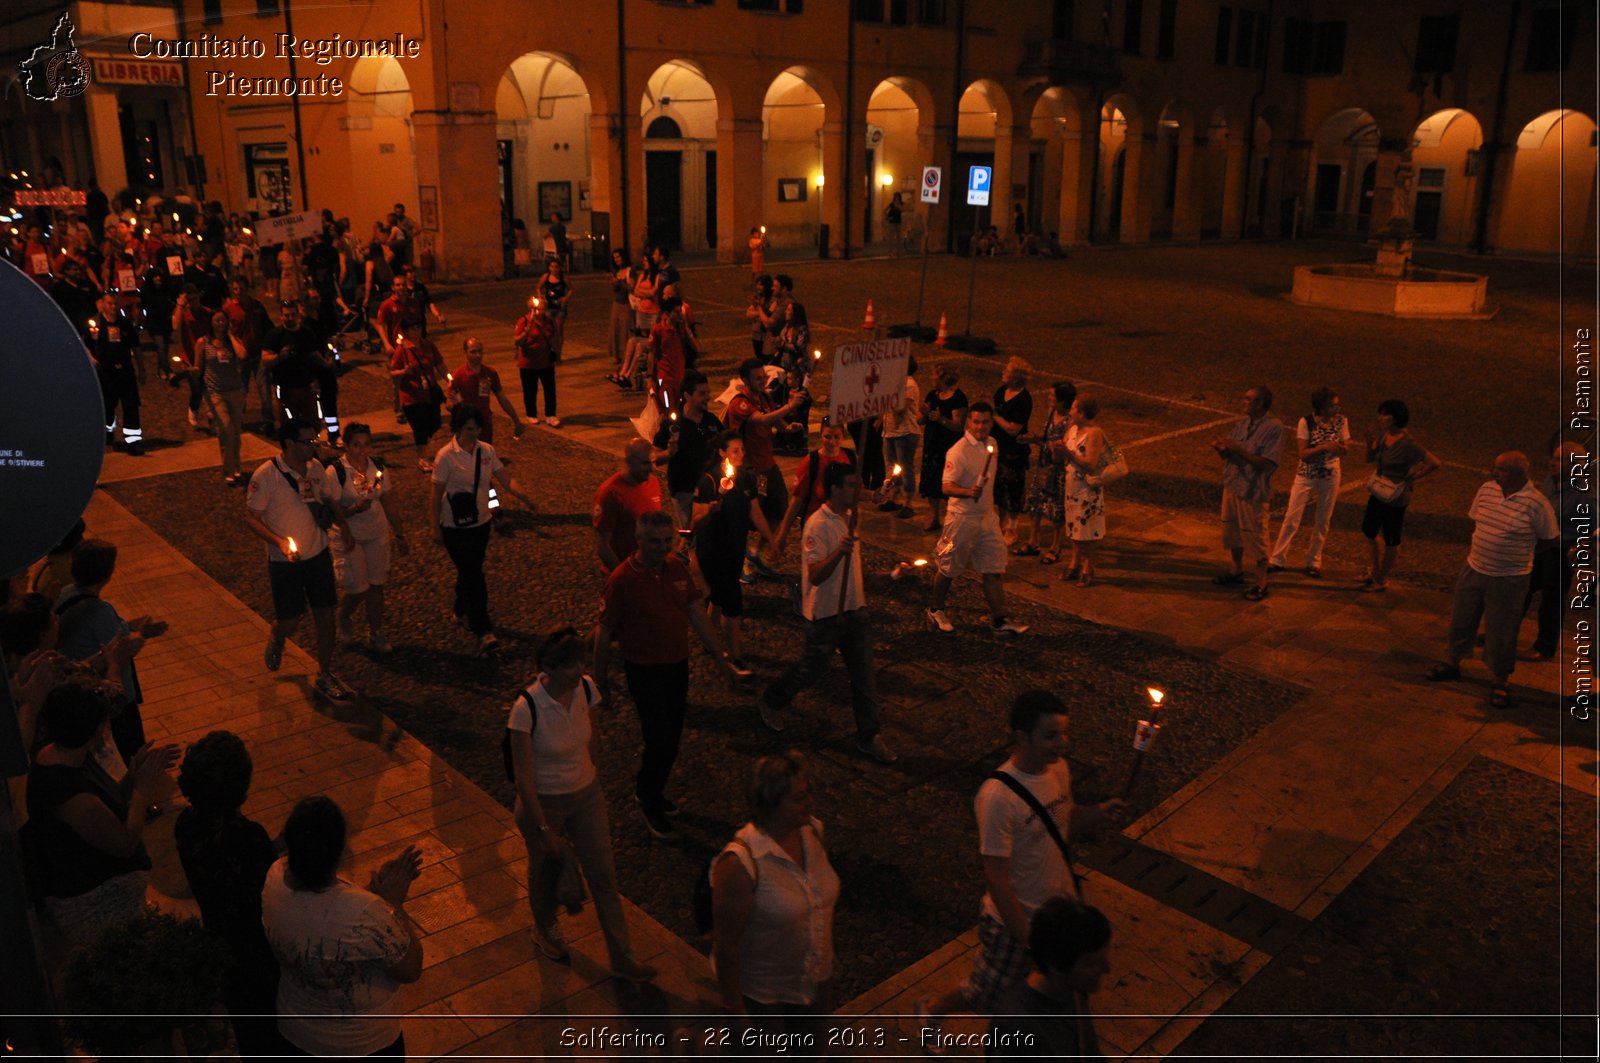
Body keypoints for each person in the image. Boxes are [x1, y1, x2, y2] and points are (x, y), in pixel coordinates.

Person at [918, 690, 1124, 1038]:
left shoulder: (1058, 769)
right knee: (987, 993)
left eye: (1064, 733)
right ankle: (931, 1008)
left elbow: (1064, 822)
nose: (1062, 744)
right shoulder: (998, 796)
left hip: (1057, 912)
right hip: (1017, 920)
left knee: (1048, 991)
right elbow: (996, 878)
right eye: (1050, 735)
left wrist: (1099, 814)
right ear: (1021, 736)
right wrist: (1028, 939)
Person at [506, 627, 659, 981]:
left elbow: (591, 737)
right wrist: (544, 831)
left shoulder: (586, 689)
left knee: (604, 876)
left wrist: (593, 776)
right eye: (570, 664)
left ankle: (623, 957)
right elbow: (523, 780)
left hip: (586, 795)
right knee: (545, 876)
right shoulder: (526, 709)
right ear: (548, 667)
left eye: (580, 661)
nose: (579, 670)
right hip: (544, 804)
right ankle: (544, 928)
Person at [594, 510, 746, 841]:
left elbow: (696, 614)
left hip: (676, 665)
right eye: (654, 542)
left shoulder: (677, 569)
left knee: (671, 738)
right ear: (638, 541)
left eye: (666, 541)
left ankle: (653, 790)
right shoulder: (622, 580)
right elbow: (603, 634)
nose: (662, 548)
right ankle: (647, 796)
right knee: (658, 737)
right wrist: (600, 682)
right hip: (644, 670)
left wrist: (722, 663)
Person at [25, 677, 179, 952]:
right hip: (92, 898)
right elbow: (125, 842)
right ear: (94, 731)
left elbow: (110, 802)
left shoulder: (61, 754)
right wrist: (142, 790)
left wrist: (132, 778)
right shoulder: (71, 796)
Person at [261, 796, 422, 1058]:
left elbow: (330, 917)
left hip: (295, 1033)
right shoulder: (363, 914)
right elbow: (410, 967)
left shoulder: (273, 877)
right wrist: (393, 905)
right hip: (360, 1044)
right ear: (340, 851)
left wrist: (373, 897)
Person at [757, 464, 897, 761]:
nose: (855, 492)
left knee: (865, 678)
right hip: (827, 615)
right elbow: (816, 574)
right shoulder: (817, 525)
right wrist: (838, 553)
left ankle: (869, 735)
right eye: (850, 486)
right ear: (833, 489)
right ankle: (771, 699)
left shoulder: (850, 519)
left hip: (854, 610)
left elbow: (854, 569)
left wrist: (888, 576)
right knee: (810, 670)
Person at [174, 732, 286, 1059]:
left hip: (219, 937)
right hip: (255, 950)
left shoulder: (186, 824)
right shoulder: (247, 835)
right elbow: (264, 882)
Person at [710, 752, 841, 1031]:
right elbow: (726, 945)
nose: (810, 802)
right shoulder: (741, 863)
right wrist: (734, 1009)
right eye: (799, 798)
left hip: (813, 982)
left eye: (809, 794)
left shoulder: (813, 832)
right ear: (770, 805)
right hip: (764, 995)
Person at [1426, 452, 1558, 709]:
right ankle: (1453, 662)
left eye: (1500, 470)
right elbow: (1477, 520)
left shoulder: (1537, 504)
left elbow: (1549, 540)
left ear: (1518, 475)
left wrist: (1518, 551)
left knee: (1502, 629)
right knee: (1462, 618)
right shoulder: (1487, 490)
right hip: (1474, 567)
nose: (1494, 473)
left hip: (1509, 578)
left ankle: (1500, 680)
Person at [243, 419, 358, 702]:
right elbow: (251, 518)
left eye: (314, 441)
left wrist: (343, 526)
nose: (313, 447)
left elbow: (328, 500)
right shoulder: (267, 475)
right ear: (289, 444)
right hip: (286, 563)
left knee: (325, 617)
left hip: (317, 554)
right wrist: (280, 542)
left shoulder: (316, 468)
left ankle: (325, 673)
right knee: (290, 619)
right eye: (307, 442)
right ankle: (278, 634)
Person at [429, 405, 538, 654]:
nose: (474, 433)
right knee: (474, 575)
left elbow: (505, 479)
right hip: (454, 526)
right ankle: (483, 628)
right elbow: (435, 495)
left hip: (481, 522)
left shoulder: (487, 451)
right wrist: (434, 528)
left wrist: (525, 497)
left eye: (477, 428)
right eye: (469, 429)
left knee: (470, 569)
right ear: (458, 428)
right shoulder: (445, 456)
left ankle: (460, 608)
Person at [54, 539, 166, 760]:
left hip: (77, 680)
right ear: (107, 574)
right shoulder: (99, 610)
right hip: (107, 688)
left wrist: (132, 625)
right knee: (126, 748)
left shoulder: (67, 592)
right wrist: (144, 634)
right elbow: (121, 650)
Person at [925, 403, 1029, 638]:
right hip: (960, 520)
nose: (981, 427)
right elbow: (946, 486)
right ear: (968, 423)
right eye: (976, 422)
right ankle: (935, 608)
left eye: (985, 422)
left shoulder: (992, 443)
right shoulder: (958, 451)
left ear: (991, 423)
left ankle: (1000, 619)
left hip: (986, 518)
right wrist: (968, 491)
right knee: (948, 567)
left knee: (993, 568)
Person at [985, 898, 1113, 1060]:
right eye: (1091, 963)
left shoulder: (1074, 992)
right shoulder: (1017, 1029)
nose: (1107, 969)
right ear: (1055, 965)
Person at [693, 432, 774, 669]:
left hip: (735, 549)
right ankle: (736, 656)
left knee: (717, 598)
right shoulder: (708, 481)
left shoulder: (746, 479)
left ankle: (708, 641)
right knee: (732, 605)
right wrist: (710, 510)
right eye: (735, 450)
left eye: (742, 449)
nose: (741, 454)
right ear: (722, 453)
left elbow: (754, 511)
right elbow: (695, 522)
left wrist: (771, 538)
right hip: (714, 552)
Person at [328, 424, 409, 654]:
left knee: (376, 584)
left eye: (366, 445)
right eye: (356, 445)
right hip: (349, 534)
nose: (362, 450)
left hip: (376, 532)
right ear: (346, 444)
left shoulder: (377, 468)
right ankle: (343, 615)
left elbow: (388, 501)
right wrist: (353, 508)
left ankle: (376, 632)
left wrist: (400, 533)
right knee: (357, 587)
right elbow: (331, 510)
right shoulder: (336, 472)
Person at [728, 358, 808, 574]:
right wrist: (790, 406)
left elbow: (774, 421)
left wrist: (788, 428)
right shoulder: (740, 403)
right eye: (757, 378)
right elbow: (762, 420)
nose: (762, 381)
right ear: (745, 380)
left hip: (768, 466)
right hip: (749, 471)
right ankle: (741, 563)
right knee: (747, 518)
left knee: (779, 509)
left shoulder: (764, 397)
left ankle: (758, 554)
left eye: (763, 377)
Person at [1209, 385, 1286, 602]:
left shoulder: (1274, 429)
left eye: (1248, 399)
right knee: (1231, 531)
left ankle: (1261, 582)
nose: (1243, 402)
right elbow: (1230, 455)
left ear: (1260, 404)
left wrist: (1237, 449)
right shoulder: (1242, 424)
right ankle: (1236, 570)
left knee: (1256, 537)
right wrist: (1222, 450)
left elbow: (1268, 464)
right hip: (1233, 485)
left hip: (1252, 491)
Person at [1360, 399, 1442, 593]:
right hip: (1379, 491)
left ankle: (1381, 579)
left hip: (1396, 497)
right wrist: (1368, 442)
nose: (1381, 417)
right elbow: (1369, 459)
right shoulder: (1384, 435)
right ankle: (1375, 570)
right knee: (1369, 531)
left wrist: (1414, 476)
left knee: (1391, 537)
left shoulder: (1408, 443)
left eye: (1385, 414)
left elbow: (1434, 463)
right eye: (1380, 413)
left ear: (1397, 418)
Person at [1267, 387, 1350, 578]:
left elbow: (1346, 449)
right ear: (1322, 407)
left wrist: (1339, 449)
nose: (1337, 409)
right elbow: (1303, 454)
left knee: (1323, 519)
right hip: (1306, 475)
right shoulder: (1306, 422)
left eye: (1338, 405)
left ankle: (1314, 561)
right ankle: (1278, 558)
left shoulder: (1342, 421)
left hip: (1330, 474)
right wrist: (1323, 447)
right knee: (1292, 517)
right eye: (1333, 406)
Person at [1523, 442, 1592, 661]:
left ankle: (1545, 647)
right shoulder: (1551, 482)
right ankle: (1504, 632)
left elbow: (1592, 531)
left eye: (1560, 459)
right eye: (1554, 457)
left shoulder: (1586, 496)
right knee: (1521, 590)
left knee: (1551, 601)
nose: (1552, 462)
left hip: (1559, 552)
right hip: (1540, 546)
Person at [772, 418, 855, 558]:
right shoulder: (812, 462)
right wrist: (782, 534)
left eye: (837, 437)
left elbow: (856, 491)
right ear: (821, 435)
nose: (832, 442)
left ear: (843, 436)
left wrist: (875, 495)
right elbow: (796, 501)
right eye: (827, 436)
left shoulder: (850, 457)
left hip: (843, 527)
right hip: (817, 528)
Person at [650, 369, 721, 532]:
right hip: (684, 490)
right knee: (691, 534)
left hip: (709, 491)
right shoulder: (672, 425)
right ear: (687, 396)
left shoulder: (712, 421)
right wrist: (669, 453)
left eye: (708, 392)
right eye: (702, 393)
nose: (707, 397)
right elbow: (654, 457)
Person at [1022, 381, 1078, 564]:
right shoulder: (1052, 412)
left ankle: (1056, 546)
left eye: (1053, 396)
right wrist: (1035, 438)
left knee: (1057, 510)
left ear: (1062, 401)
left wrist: (1039, 443)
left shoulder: (1070, 421)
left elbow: (1061, 450)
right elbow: (1047, 438)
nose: (1049, 397)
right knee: (1036, 503)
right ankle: (1033, 541)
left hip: (1058, 471)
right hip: (1044, 465)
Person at [594, 438, 665, 578]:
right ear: (629, 462)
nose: (652, 468)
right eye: (645, 464)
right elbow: (603, 545)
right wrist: (623, 576)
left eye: (653, 462)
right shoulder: (610, 494)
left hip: (651, 571)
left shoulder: (653, 483)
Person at [195, 310, 250, 485]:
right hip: (215, 392)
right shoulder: (203, 342)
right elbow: (198, 367)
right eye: (216, 321)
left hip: (235, 390)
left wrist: (231, 336)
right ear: (211, 323)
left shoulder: (232, 341)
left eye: (223, 321)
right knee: (226, 429)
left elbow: (242, 355)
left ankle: (237, 466)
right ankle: (229, 470)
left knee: (236, 432)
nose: (220, 324)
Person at [1058, 394, 1107, 587]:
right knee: (1074, 528)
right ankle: (1074, 562)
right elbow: (1063, 454)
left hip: (1087, 490)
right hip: (1072, 487)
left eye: (1074, 409)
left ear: (1082, 413)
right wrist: (1058, 451)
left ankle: (1089, 566)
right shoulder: (1072, 429)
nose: (1070, 412)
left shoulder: (1094, 433)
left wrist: (1068, 454)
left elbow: (1091, 464)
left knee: (1088, 529)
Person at [88, 292, 143, 454]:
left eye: (115, 304)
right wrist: (92, 358)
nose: (113, 307)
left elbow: (136, 346)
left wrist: (142, 368)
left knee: (131, 405)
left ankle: (133, 441)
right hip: (106, 372)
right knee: (108, 404)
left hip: (125, 370)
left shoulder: (125, 324)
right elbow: (85, 344)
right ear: (103, 304)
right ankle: (107, 431)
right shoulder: (96, 324)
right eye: (110, 304)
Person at [448, 337, 524, 447]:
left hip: (484, 421)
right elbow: (451, 402)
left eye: (480, 351)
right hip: (466, 424)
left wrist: (516, 419)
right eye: (473, 352)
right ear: (465, 353)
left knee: (485, 452)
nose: (478, 355)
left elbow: (501, 397)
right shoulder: (458, 376)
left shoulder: (490, 373)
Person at [919, 365, 968, 533]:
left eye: (934, 375)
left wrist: (941, 419)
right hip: (932, 444)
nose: (931, 378)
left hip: (948, 446)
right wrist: (924, 412)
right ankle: (933, 514)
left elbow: (958, 426)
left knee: (948, 480)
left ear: (943, 379)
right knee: (931, 479)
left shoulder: (958, 398)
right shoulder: (933, 395)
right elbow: (921, 421)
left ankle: (951, 515)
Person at [992, 357, 1034, 546]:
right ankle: (1000, 524)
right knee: (999, 489)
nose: (1003, 372)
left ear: (1016, 377)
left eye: (1007, 370)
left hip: (1013, 451)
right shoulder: (1002, 391)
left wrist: (994, 415)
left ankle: (1012, 527)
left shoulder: (1024, 400)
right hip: (998, 449)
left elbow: (1013, 428)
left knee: (1014, 490)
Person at [389, 332, 446, 471]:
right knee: (419, 427)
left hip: (429, 394)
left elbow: (440, 364)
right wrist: (404, 371)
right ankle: (422, 457)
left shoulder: (428, 345)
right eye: (413, 327)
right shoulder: (402, 349)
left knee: (435, 422)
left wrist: (449, 380)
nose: (416, 330)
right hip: (411, 396)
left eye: (418, 326)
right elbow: (392, 372)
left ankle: (426, 448)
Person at [877, 354, 921, 517]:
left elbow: (900, 408)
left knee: (905, 467)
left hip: (905, 432)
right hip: (890, 432)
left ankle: (908, 502)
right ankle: (893, 497)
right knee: (892, 466)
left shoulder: (909, 384)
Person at [513, 295, 560, 427]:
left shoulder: (549, 321)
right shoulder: (524, 321)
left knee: (550, 389)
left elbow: (555, 337)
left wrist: (557, 353)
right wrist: (527, 331)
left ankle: (551, 415)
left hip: (546, 362)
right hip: (528, 363)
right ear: (531, 309)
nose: (539, 312)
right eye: (537, 309)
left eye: (542, 309)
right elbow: (517, 341)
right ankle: (531, 414)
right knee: (530, 389)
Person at [607, 249, 633, 379]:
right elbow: (614, 290)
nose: (617, 260)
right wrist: (613, 283)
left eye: (618, 257)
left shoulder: (630, 271)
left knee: (625, 330)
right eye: (615, 258)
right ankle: (616, 356)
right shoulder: (616, 272)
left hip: (626, 303)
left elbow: (632, 287)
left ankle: (625, 356)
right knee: (615, 329)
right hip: (616, 302)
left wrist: (620, 283)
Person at [537, 258, 572, 356]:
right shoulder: (546, 277)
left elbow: (571, 289)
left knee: (559, 331)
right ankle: (551, 352)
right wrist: (541, 297)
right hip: (549, 306)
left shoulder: (563, 277)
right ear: (549, 268)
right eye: (552, 267)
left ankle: (558, 354)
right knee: (550, 330)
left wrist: (566, 298)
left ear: (559, 268)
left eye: (556, 267)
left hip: (560, 307)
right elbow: (539, 287)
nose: (554, 269)